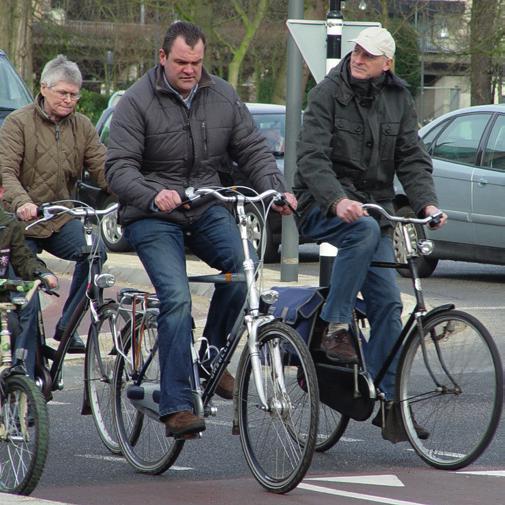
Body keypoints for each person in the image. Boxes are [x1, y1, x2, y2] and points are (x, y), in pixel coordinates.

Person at [105, 21, 297, 439]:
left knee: (243, 272)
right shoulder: (136, 102)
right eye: (181, 62)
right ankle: (176, 405)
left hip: (205, 207)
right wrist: (153, 195)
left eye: (196, 62)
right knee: (175, 299)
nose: (190, 70)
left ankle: (208, 359)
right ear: (162, 58)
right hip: (153, 216)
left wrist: (275, 190)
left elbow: (252, 150)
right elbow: (117, 169)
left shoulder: (222, 95)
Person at [294, 27, 447, 441]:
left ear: (387, 64)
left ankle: (388, 403)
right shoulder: (327, 93)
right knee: (360, 229)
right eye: (356, 51)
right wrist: (335, 199)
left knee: (388, 307)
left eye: (369, 54)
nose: (359, 58)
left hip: (373, 210)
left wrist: (426, 205)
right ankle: (335, 326)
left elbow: (412, 158)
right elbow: (311, 157)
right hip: (320, 204)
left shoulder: (399, 98)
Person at [0, 54, 108, 353]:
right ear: (44, 88)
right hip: (22, 222)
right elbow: (5, 171)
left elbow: (103, 168)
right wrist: (22, 201)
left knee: (95, 251)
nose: (69, 100)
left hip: (60, 218)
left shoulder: (82, 127)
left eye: (74, 94)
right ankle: (27, 377)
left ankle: (68, 326)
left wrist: (132, 192)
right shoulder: (17, 122)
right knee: (27, 300)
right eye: (63, 92)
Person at [0, 185, 58, 378]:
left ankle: (22, 374)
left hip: (3, 298)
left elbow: (23, 258)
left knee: (15, 324)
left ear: (1, 192)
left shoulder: (8, 225)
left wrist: (41, 273)